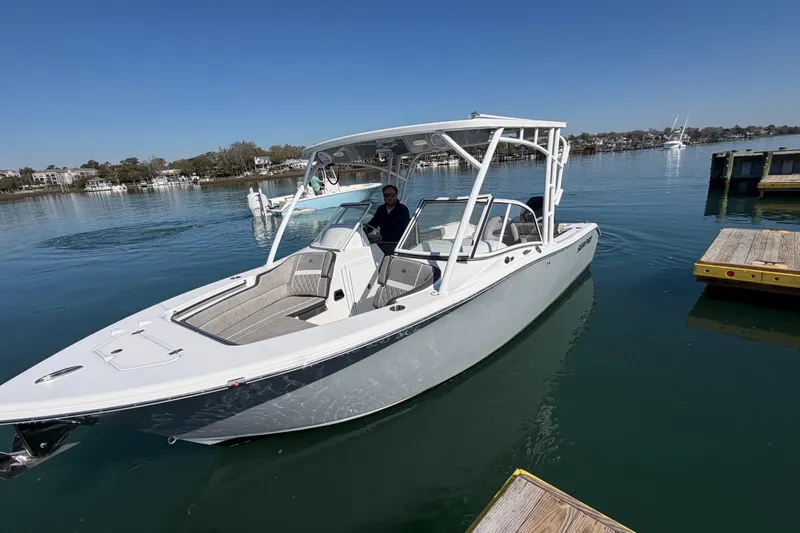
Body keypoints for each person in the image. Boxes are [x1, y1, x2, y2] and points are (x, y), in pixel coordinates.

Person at [365, 184, 410, 254]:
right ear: (383, 197)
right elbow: (373, 223)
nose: (389, 197)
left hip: (398, 244)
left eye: (392, 195)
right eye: (386, 195)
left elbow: (400, 229)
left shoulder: (403, 209)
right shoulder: (381, 209)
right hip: (384, 243)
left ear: (396, 195)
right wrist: (363, 231)